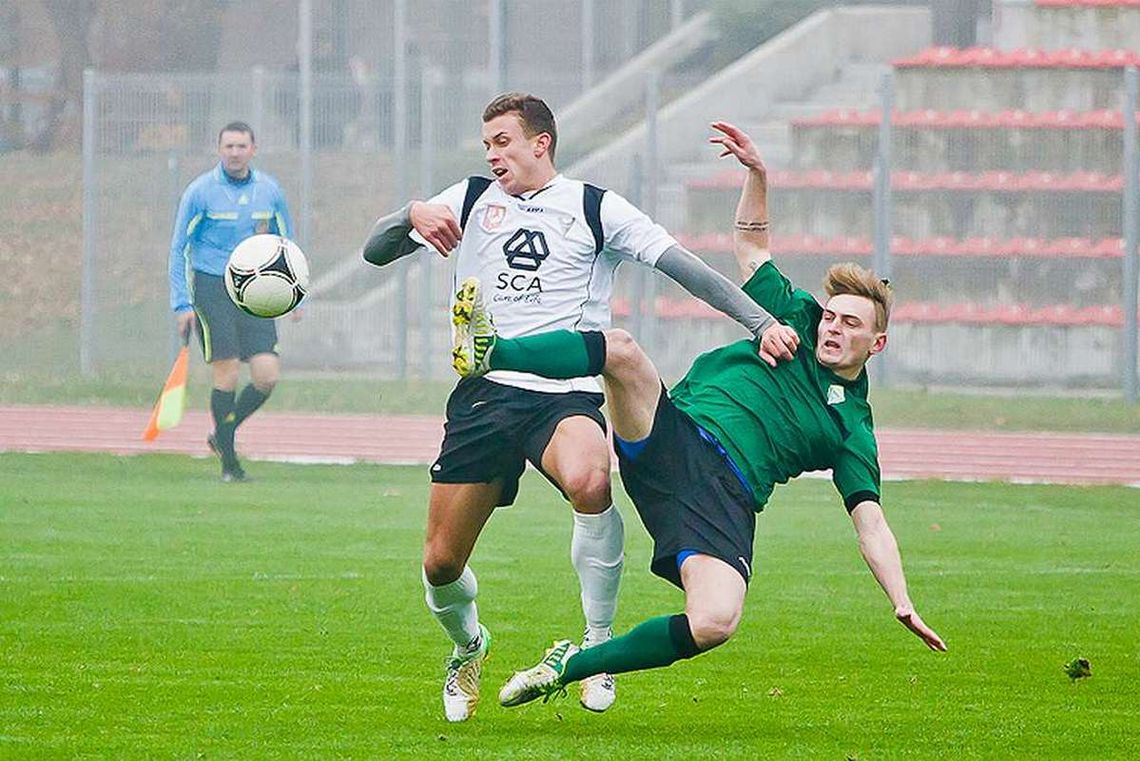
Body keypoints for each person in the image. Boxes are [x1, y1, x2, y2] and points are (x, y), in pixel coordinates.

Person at [447, 121, 947, 709]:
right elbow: (752, 246)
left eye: (850, 324)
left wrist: (901, 598)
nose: (833, 328)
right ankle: (492, 351)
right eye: (833, 316)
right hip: (675, 437)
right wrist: (758, 175)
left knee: (714, 621)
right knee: (624, 351)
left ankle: (570, 667)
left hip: (725, 499)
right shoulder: (797, 316)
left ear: (877, 344)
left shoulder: (853, 429)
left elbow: (871, 524)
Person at [361, 94, 785, 722]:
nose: (492, 154)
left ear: (542, 143)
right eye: (486, 145)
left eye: (503, 141)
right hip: (484, 394)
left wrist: (758, 321)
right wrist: (412, 213)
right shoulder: (471, 198)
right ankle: (468, 646)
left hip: (565, 390)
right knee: (441, 562)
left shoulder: (594, 207)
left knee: (591, 478)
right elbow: (376, 250)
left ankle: (598, 643)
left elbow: (682, 267)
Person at [168, 121, 293, 483]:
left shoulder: (270, 191)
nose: (235, 153)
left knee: (267, 375)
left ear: (253, 149)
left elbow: (287, 244)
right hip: (211, 289)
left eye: (241, 146)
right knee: (228, 373)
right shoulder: (200, 192)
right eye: (229, 147)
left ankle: (221, 434)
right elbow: (178, 249)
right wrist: (181, 303)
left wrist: (294, 297)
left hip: (256, 291)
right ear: (219, 150)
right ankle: (230, 464)